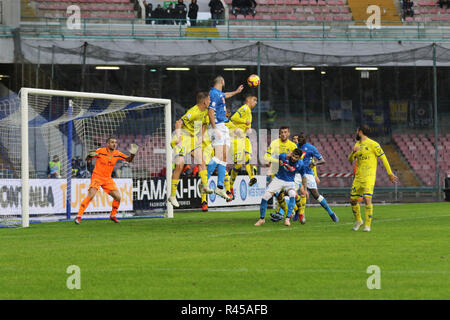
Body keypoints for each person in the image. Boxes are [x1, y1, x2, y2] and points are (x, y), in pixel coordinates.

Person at [74, 138, 138, 224]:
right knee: (91, 195)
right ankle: (79, 216)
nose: (114, 144)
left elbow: (129, 160)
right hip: (97, 177)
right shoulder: (100, 151)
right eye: (112, 142)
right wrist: (89, 156)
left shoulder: (117, 153)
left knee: (118, 197)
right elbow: (87, 159)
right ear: (107, 144)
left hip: (107, 179)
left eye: (115, 142)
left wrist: (132, 154)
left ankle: (112, 215)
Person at [348, 125, 398, 232]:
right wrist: (353, 152)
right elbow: (350, 160)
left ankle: (367, 225)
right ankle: (358, 221)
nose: (356, 133)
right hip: (358, 177)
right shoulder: (357, 145)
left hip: (369, 176)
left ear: (360, 132)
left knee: (367, 198)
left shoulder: (373, 144)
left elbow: (383, 158)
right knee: (352, 200)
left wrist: (390, 173)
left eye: (357, 131)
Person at [169, 92, 214, 208]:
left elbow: (204, 124)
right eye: (209, 99)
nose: (210, 101)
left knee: (201, 160)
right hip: (183, 137)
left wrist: (201, 136)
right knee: (180, 164)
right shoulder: (193, 112)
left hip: (193, 139)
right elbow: (178, 123)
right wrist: (178, 136)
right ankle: (172, 195)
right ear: (204, 101)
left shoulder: (205, 112)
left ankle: (204, 185)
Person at [206, 76, 244, 200]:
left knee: (223, 157)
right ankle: (203, 180)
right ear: (222, 81)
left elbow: (225, 95)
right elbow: (210, 111)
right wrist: (214, 128)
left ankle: (220, 186)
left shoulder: (219, 94)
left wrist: (236, 92)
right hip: (217, 126)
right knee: (218, 155)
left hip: (222, 125)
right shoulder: (214, 93)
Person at [255, 149, 307, 227]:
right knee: (265, 197)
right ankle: (262, 219)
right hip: (278, 180)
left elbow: (304, 177)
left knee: (292, 194)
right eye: (293, 156)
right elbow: (272, 159)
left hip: (289, 182)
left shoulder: (301, 164)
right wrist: (269, 168)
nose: (293, 158)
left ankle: (287, 219)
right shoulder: (283, 156)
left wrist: (305, 189)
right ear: (291, 154)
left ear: (299, 158)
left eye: (296, 157)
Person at [296, 132, 338, 223]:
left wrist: (315, 163)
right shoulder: (295, 147)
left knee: (316, 195)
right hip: (298, 173)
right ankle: (300, 214)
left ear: (305, 139)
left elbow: (322, 160)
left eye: (301, 137)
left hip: (308, 174)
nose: (299, 139)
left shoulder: (311, 148)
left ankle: (331, 213)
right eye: (299, 137)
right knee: (295, 192)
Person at [229, 94, 258, 198]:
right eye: (255, 100)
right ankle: (230, 186)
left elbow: (247, 125)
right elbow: (233, 118)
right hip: (236, 138)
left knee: (248, 157)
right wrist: (244, 122)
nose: (256, 103)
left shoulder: (249, 112)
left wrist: (248, 128)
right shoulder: (245, 108)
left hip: (244, 138)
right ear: (249, 100)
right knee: (238, 165)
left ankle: (252, 178)